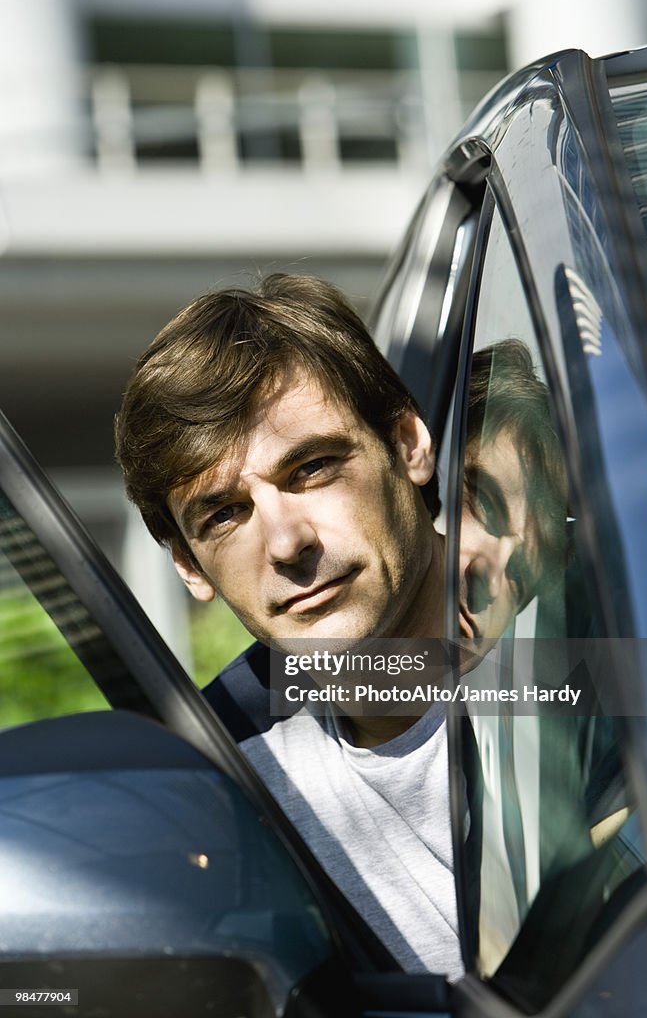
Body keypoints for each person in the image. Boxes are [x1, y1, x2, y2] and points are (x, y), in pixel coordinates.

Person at [114, 273, 567, 978]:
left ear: (410, 444)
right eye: (225, 514)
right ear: (189, 567)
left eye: (313, 468)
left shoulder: (609, 649)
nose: (287, 543)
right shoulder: (219, 793)